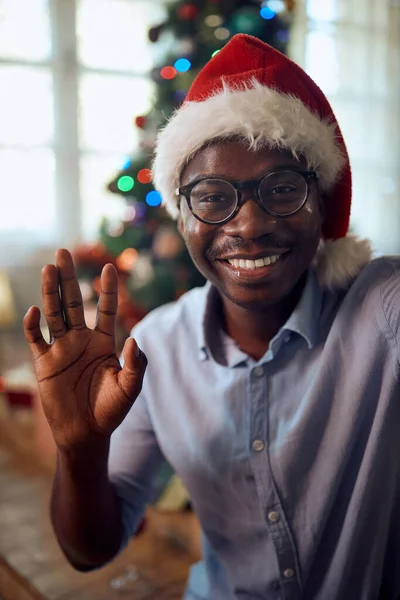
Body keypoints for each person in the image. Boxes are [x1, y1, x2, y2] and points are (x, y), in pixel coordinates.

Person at [23, 34, 400, 600]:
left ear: (321, 204)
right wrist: (79, 447)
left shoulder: (382, 310)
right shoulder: (153, 350)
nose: (247, 225)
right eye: (213, 197)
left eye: (282, 188)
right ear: (181, 217)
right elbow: (89, 550)